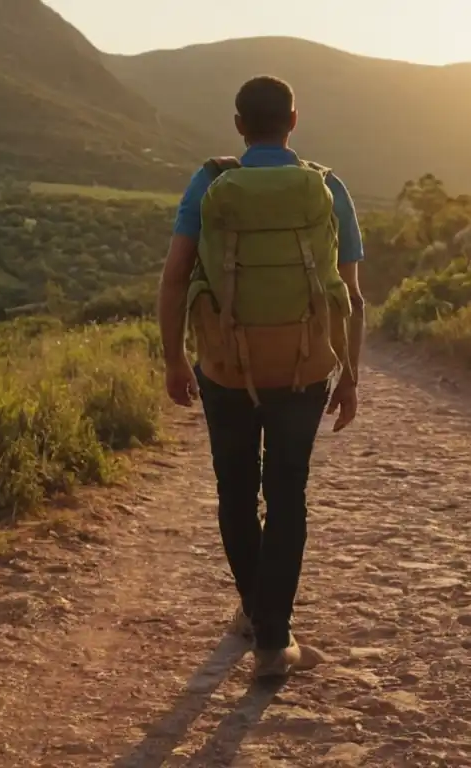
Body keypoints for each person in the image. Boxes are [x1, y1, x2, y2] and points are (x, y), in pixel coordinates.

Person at [156, 75, 366, 679]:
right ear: (293, 122)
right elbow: (350, 292)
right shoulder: (327, 187)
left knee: (235, 492)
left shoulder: (211, 181)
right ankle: (274, 641)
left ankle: (256, 614)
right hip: (305, 368)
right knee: (287, 495)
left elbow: (174, 278)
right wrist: (349, 375)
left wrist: (174, 357)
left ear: (239, 124)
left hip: (225, 366)